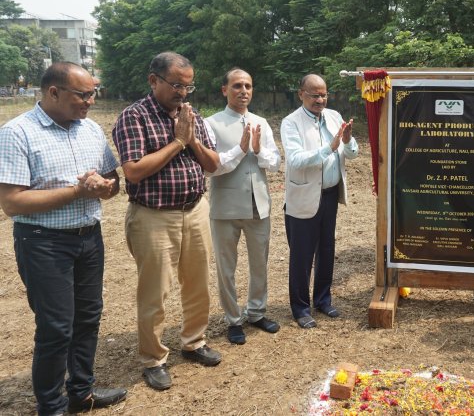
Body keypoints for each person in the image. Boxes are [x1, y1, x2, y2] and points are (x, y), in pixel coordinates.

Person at [0, 62, 126, 415]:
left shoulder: (90, 129)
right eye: (82, 94)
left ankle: (80, 393)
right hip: (43, 242)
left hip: (89, 238)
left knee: (88, 317)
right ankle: (51, 406)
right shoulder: (17, 132)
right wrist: (77, 192)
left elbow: (112, 183)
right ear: (53, 92)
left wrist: (104, 188)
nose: (90, 101)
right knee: (56, 327)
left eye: (92, 93)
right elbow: (12, 202)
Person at [112, 52, 221, 391]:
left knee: (198, 283)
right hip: (154, 217)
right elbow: (134, 170)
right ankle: (153, 359)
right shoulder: (134, 117)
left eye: (188, 86)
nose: (183, 93)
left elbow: (213, 164)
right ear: (153, 80)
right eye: (176, 85)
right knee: (155, 292)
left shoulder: (191, 115)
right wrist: (177, 142)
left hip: (195, 210)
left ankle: (194, 342)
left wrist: (192, 140)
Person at [205, 68, 282, 344]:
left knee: (260, 263)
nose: (244, 91)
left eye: (248, 86)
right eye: (237, 85)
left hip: (258, 206)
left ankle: (257, 312)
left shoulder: (261, 122)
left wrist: (259, 150)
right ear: (224, 90)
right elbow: (210, 168)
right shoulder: (211, 124)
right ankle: (233, 319)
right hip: (225, 208)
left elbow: (275, 163)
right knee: (227, 267)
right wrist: (240, 148)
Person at [281, 74, 358, 328]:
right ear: (300, 93)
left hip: (330, 195)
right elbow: (296, 160)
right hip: (304, 197)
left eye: (324, 94)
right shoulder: (291, 122)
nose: (320, 99)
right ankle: (301, 308)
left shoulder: (334, 116)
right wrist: (330, 147)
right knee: (302, 255)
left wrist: (347, 141)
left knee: (326, 250)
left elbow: (353, 153)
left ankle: (323, 300)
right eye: (314, 94)